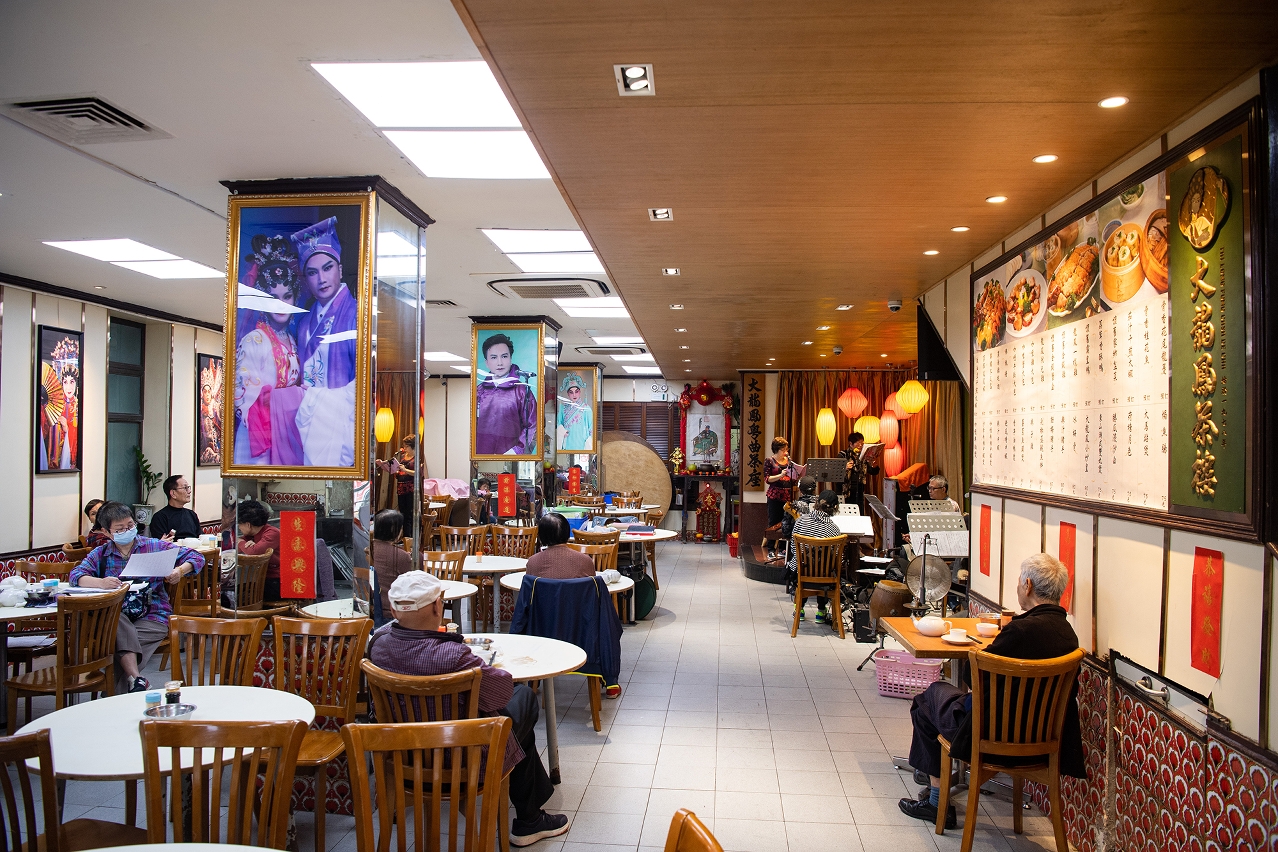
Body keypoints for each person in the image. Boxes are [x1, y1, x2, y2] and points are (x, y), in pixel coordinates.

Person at [367, 573, 570, 847]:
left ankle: (531, 818)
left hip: (401, 758)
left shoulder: (378, 646)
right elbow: (500, 694)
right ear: (437, 606)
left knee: (514, 722)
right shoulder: (454, 656)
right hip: (461, 761)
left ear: (393, 611)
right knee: (523, 699)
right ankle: (529, 819)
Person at [898, 553, 1084, 828]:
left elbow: (975, 680)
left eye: (1020, 582)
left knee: (928, 699)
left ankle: (936, 802)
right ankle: (931, 770)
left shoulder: (1020, 632)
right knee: (942, 698)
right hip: (1043, 741)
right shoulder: (1068, 635)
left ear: (1028, 586)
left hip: (989, 735)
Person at [71, 501, 204, 693]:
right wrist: (101, 583)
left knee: (117, 648)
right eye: (120, 529)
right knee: (116, 618)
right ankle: (136, 680)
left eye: (130, 525)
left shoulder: (153, 546)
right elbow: (76, 576)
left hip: (152, 615)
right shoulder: (101, 554)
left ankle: (122, 691)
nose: (127, 531)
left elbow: (196, 557)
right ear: (106, 532)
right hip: (117, 618)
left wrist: (179, 571)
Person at [234, 234, 303, 466]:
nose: (281, 304)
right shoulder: (255, 340)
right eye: (273, 298)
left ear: (294, 299)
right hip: (260, 434)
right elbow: (244, 395)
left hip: (288, 430)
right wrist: (290, 399)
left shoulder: (293, 340)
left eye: (287, 296)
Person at [786, 489, 843, 626]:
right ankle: (821, 611)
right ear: (835, 507)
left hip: (801, 573)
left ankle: (799, 609)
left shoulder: (801, 521)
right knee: (826, 567)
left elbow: (794, 549)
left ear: (817, 503)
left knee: (800, 564)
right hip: (825, 577)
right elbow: (836, 558)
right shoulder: (834, 529)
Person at [475, 333, 538, 455]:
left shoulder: (522, 391)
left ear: (510, 358)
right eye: (494, 357)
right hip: (482, 457)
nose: (500, 363)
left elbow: (533, 426)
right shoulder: (480, 391)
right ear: (487, 362)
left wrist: (516, 452)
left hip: (511, 458)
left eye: (504, 356)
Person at [369, 509, 413, 621]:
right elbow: (411, 586)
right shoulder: (400, 556)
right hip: (390, 613)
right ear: (396, 531)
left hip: (367, 609)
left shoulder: (367, 549)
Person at [525, 513, 595, 579]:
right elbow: (593, 586)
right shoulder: (585, 561)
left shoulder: (533, 562)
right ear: (568, 532)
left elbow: (530, 586)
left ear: (541, 536)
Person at [235, 499, 281, 599]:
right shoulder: (251, 535)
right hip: (262, 579)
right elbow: (237, 547)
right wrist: (244, 543)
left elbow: (254, 552)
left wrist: (241, 542)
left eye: (240, 524)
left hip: (277, 581)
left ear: (248, 524)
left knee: (240, 595)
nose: (239, 528)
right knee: (237, 591)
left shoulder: (272, 533)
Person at [763, 438, 800, 558]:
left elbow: (792, 478)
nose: (785, 452)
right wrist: (781, 475)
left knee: (786, 522)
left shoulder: (789, 461)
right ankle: (771, 549)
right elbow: (767, 479)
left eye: (786, 449)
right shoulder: (770, 461)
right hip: (774, 495)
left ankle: (783, 549)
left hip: (787, 495)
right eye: (783, 449)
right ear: (777, 449)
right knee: (773, 521)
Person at [149, 475, 201, 542]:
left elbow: (200, 536)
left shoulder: (191, 514)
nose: (189, 491)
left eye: (188, 487)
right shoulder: (160, 517)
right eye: (185, 488)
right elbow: (161, 544)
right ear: (173, 493)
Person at [839, 431, 880, 511]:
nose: (860, 445)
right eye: (858, 443)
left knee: (859, 511)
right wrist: (844, 468)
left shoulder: (864, 456)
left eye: (862, 443)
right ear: (851, 444)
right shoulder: (843, 455)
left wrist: (874, 465)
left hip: (859, 491)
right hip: (845, 491)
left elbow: (873, 472)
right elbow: (835, 472)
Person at [556, 372, 593, 451]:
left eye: (576, 391)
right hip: (567, 441)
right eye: (571, 392)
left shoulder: (586, 409)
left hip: (581, 442)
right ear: (568, 394)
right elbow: (558, 423)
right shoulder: (563, 408)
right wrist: (562, 432)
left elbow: (591, 428)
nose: (574, 395)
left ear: (580, 392)